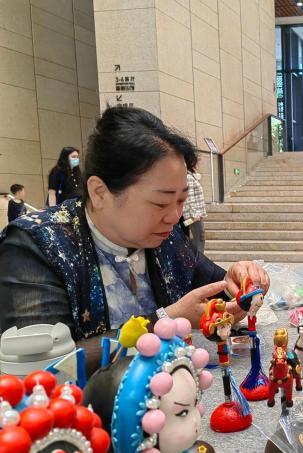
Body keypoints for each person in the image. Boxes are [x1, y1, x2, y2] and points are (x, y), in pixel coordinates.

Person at [0, 106, 269, 372]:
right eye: (160, 202)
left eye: (181, 200)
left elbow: (214, 294)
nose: (175, 216)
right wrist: (164, 320)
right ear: (99, 192)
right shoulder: (35, 245)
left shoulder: (164, 239)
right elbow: (40, 369)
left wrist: (240, 283)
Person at [183, 169, 207, 252]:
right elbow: (189, 197)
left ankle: (198, 260)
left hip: (197, 213)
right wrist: (194, 214)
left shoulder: (192, 175)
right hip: (194, 215)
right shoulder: (188, 177)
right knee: (199, 237)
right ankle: (198, 261)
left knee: (199, 237)